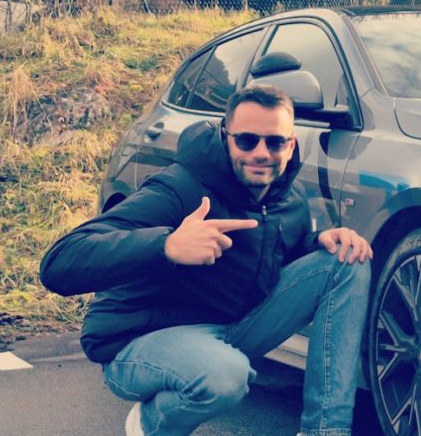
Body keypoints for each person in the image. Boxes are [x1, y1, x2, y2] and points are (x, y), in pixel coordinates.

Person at [39, 84, 373, 436]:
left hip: (229, 331)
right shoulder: (180, 188)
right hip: (141, 342)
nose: (261, 153)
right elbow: (59, 264)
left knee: (348, 259)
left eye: (275, 142)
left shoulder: (289, 200)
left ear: (291, 145)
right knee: (225, 375)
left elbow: (275, 258)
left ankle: (324, 431)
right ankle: (151, 423)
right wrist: (166, 245)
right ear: (226, 137)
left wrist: (316, 242)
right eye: (247, 140)